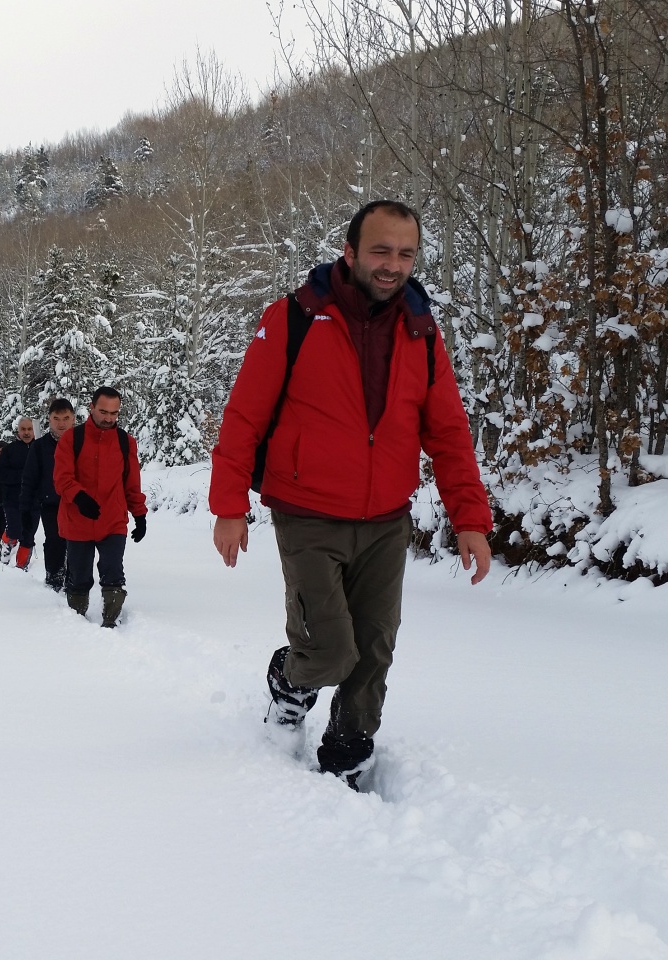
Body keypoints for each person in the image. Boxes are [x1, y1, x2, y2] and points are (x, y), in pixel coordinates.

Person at [209, 199, 493, 790]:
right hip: (308, 512)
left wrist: (469, 516)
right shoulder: (293, 318)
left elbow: (447, 432)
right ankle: (292, 682)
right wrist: (229, 507)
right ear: (351, 251)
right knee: (332, 650)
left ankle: (348, 747)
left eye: (406, 253)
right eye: (381, 250)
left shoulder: (421, 331)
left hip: (387, 518)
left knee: (373, 650)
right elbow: (244, 418)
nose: (393, 264)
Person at [53, 386, 147, 628]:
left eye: (114, 414)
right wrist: (80, 497)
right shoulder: (71, 439)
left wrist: (139, 514)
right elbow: (62, 478)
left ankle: (110, 622)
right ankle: (77, 624)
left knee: (113, 573)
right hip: (77, 520)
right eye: (103, 411)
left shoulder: (126, 442)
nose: (108, 418)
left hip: (112, 520)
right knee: (79, 577)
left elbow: (132, 483)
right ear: (91, 407)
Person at [21, 398, 76, 590]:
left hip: (78, 503)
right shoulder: (40, 446)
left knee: (77, 543)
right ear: (49, 420)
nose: (61, 423)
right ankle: (54, 578)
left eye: (66, 418)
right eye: (56, 418)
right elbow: (29, 478)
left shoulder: (82, 443)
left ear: (73, 419)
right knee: (54, 541)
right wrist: (26, 507)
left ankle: (74, 579)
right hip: (51, 503)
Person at [0, 417, 38, 569]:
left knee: (28, 536)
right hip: (13, 500)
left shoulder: (40, 448)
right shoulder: (9, 450)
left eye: (29, 429)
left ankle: (21, 568)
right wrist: (24, 476)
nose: (26, 433)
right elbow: (0, 474)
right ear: (18, 431)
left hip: (34, 501)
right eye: (23, 429)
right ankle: (6, 546)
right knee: (14, 531)